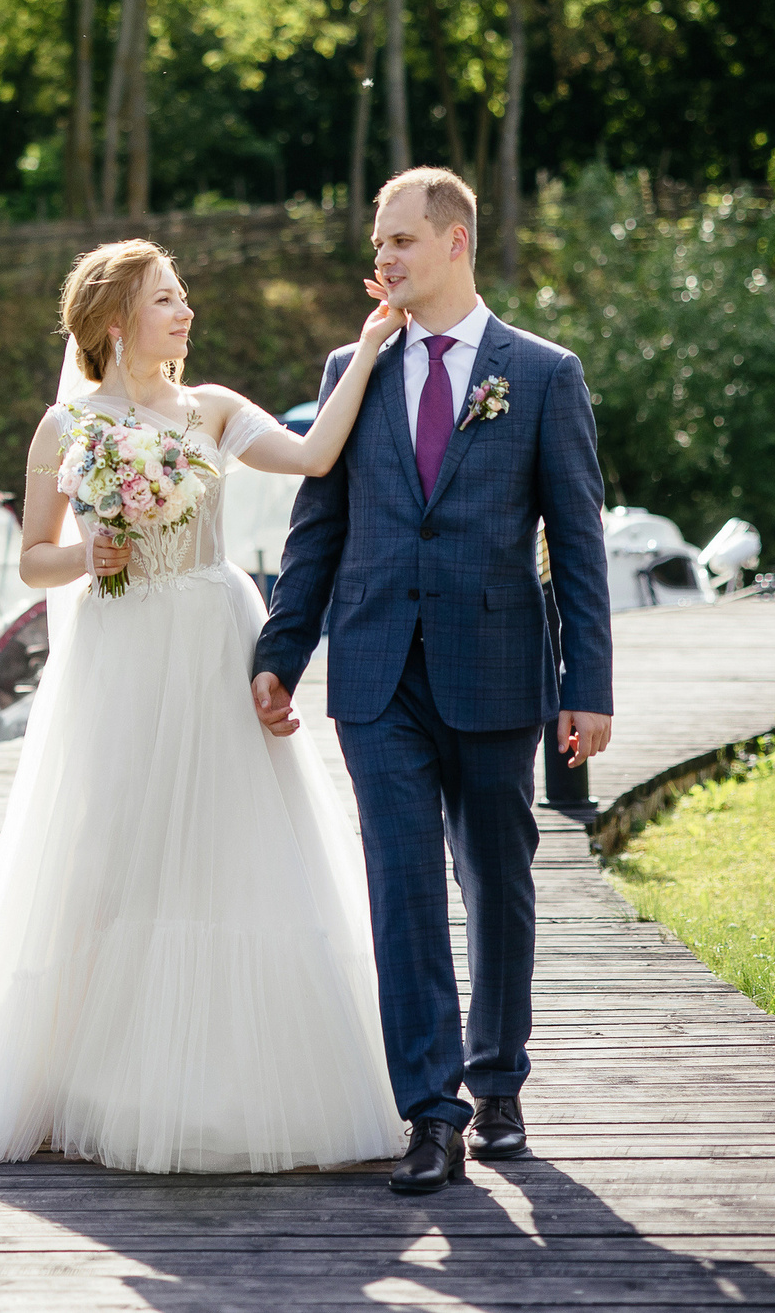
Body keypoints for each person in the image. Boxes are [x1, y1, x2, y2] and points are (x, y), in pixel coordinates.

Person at [0, 237, 409, 1173]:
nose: (187, 310)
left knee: (228, 847)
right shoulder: (64, 430)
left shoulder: (215, 409)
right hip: (120, 654)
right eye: (169, 297)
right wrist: (92, 557)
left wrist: (368, 346)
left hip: (211, 636)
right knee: (113, 853)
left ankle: (226, 1083)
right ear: (118, 322)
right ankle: (95, 1079)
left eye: (184, 294)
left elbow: (319, 455)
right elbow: (33, 557)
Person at [251, 167, 614, 1195]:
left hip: (498, 668)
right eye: (377, 243)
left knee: (495, 878)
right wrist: (279, 653)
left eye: (401, 241)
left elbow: (577, 546)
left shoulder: (540, 375)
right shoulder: (347, 367)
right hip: (373, 672)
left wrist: (587, 683)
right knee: (401, 887)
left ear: (455, 242)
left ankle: (497, 1080)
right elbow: (313, 529)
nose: (383, 260)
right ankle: (430, 1110)